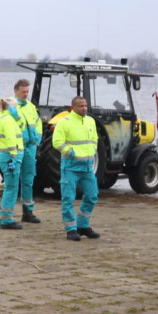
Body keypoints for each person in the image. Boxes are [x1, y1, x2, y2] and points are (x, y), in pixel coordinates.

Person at [52, 96, 100, 241]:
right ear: (73, 107)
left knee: (92, 196)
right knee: (68, 198)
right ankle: (71, 229)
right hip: (70, 167)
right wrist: (70, 153)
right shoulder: (64, 122)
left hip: (87, 167)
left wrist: (92, 151)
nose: (84, 108)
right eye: (81, 106)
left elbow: (94, 139)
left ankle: (83, 226)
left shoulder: (90, 121)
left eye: (85, 105)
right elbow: (57, 142)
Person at [13, 79, 42, 223]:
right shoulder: (11, 107)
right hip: (17, 148)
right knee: (12, 180)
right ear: (16, 91)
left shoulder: (30, 106)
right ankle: (7, 214)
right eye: (23, 91)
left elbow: (38, 124)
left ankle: (27, 212)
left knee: (29, 179)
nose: (26, 94)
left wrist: (37, 141)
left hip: (30, 147)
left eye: (27, 91)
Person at [0, 96, 24, 229]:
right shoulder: (8, 121)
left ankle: (5, 215)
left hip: (5, 156)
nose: (17, 109)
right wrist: (13, 158)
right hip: (10, 157)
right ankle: (6, 219)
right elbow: (11, 140)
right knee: (11, 188)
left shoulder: (1, 117)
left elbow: (21, 127)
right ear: (11, 108)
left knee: (9, 187)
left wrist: (17, 117)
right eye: (15, 107)